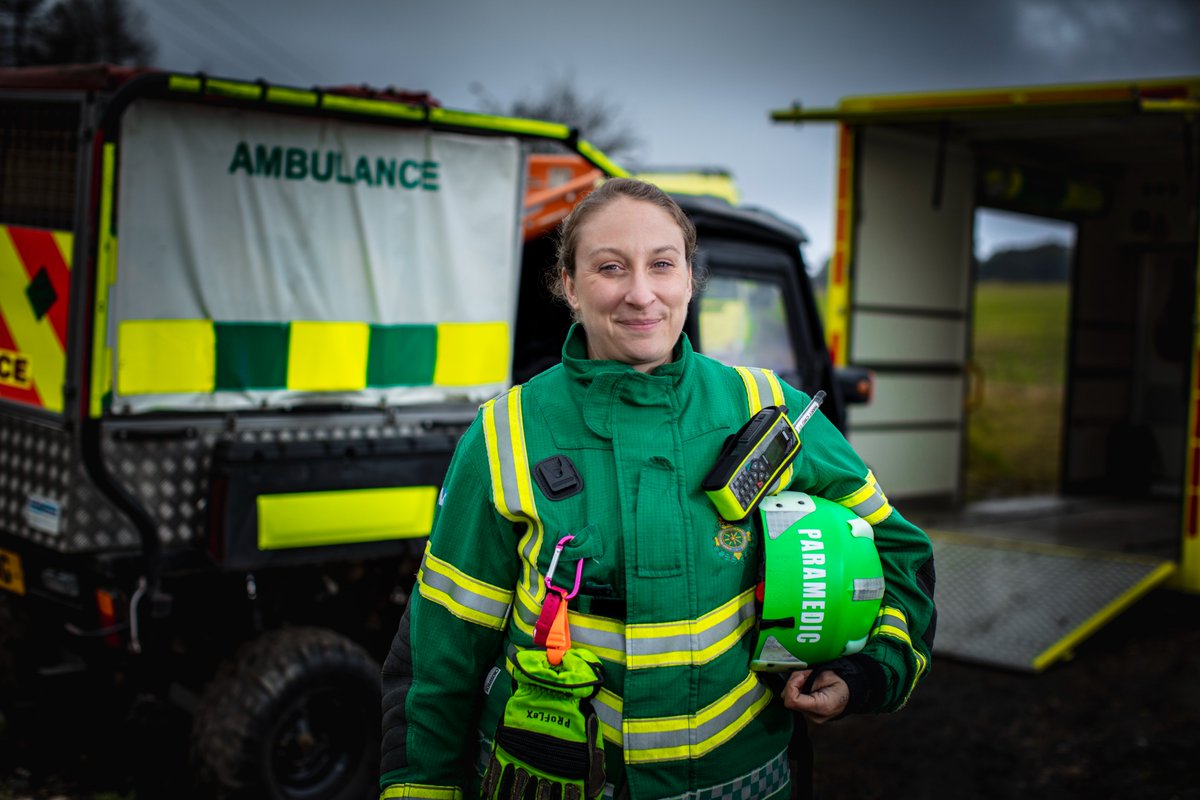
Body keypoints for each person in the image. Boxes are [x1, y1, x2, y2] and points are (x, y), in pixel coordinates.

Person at [379, 178, 936, 800]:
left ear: (690, 280)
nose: (641, 294)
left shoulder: (770, 409)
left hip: (745, 782)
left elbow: (899, 554)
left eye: (662, 265)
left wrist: (866, 672)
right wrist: (420, 788)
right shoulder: (504, 434)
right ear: (568, 285)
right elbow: (441, 651)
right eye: (610, 267)